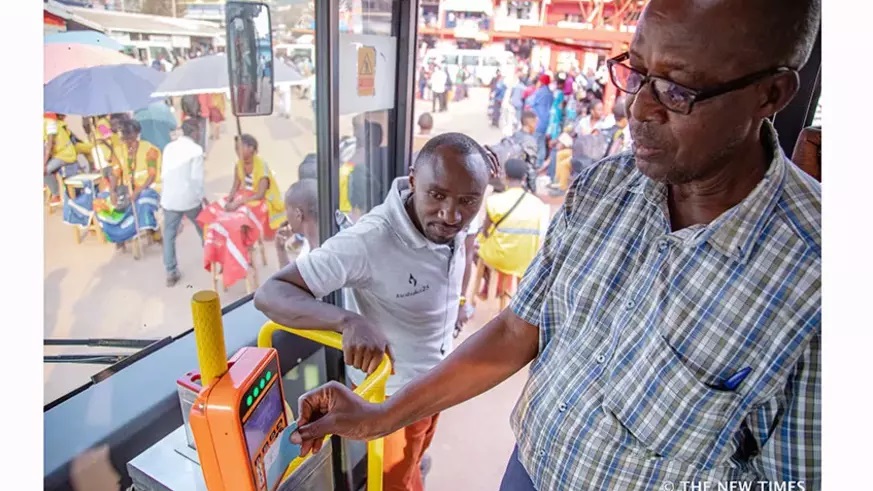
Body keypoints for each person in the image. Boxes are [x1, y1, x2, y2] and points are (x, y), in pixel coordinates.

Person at [287, 1, 822, 490]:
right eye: (635, 73)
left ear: (770, 94)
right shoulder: (603, 191)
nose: (637, 109)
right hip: (527, 468)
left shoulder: (817, 279)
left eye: (678, 90)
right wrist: (382, 415)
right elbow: (518, 330)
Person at [254, 132, 494, 491]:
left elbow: (462, 201)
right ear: (414, 180)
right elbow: (270, 294)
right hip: (394, 397)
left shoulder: (458, 213)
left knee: (414, 459)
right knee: (395, 480)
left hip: (438, 379)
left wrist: (459, 304)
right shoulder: (370, 241)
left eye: (468, 200)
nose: (451, 215)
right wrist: (347, 320)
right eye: (438, 195)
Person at [476, 158, 550, 299]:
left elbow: (485, 232)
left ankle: (487, 285)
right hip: (527, 259)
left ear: (505, 176)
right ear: (524, 178)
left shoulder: (494, 201)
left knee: (477, 249)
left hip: (500, 258)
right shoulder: (538, 204)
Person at [94, 120, 162, 245]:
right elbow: (115, 172)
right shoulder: (119, 150)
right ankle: (117, 234)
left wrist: (138, 190)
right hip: (125, 188)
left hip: (147, 187)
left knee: (143, 200)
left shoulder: (150, 149)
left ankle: (152, 230)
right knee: (101, 200)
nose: (127, 143)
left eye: (130, 139)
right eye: (124, 139)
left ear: (137, 134)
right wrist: (112, 190)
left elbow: (152, 175)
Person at [160, 119, 206, 286]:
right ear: (194, 132)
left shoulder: (169, 148)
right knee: (204, 229)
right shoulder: (196, 150)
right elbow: (197, 179)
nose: (200, 134)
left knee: (169, 235)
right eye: (199, 131)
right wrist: (202, 197)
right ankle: (211, 259)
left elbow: (163, 174)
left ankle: (171, 272)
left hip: (170, 199)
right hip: (190, 199)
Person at [226, 134, 286, 233]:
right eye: (236, 148)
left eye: (240, 148)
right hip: (246, 196)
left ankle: (248, 239)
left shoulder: (261, 165)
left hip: (263, 200)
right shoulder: (238, 164)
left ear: (251, 148)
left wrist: (236, 203)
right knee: (219, 207)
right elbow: (235, 186)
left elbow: (260, 195)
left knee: (241, 214)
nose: (237, 151)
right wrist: (228, 201)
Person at [275, 178, 319, 269]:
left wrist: (280, 251)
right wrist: (281, 249)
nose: (286, 215)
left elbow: (286, 282)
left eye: (286, 209)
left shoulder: (312, 260)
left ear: (298, 214)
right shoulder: (310, 244)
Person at [43, 113, 82, 203]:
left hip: (65, 154)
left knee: (44, 170)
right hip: (58, 154)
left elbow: (49, 146)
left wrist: (44, 163)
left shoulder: (50, 123)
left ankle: (55, 194)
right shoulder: (49, 122)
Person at [528, 73, 554, 170]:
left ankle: (534, 164)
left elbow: (530, 102)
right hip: (546, 122)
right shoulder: (550, 94)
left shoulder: (539, 92)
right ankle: (539, 163)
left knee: (535, 143)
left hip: (537, 121)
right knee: (542, 143)